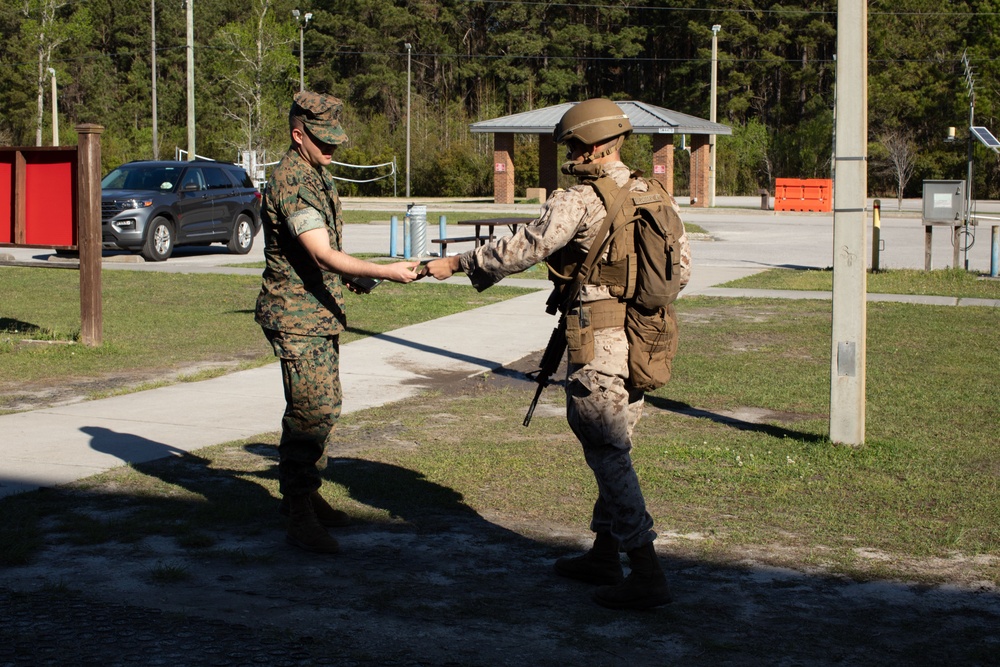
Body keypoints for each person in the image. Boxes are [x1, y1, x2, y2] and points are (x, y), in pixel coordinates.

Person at [425, 98, 691, 609]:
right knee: (615, 448)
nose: (569, 154)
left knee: (608, 453)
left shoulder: (581, 199)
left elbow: (527, 247)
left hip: (602, 345)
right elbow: (681, 273)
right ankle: (603, 553)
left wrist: (457, 261)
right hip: (645, 338)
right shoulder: (656, 194)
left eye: (571, 145)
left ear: (591, 146)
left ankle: (648, 571)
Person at [256, 91, 421, 554]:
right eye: (323, 142)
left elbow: (323, 257)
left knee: (325, 405)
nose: (332, 151)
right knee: (311, 411)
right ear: (297, 135)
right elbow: (322, 252)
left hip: (316, 310)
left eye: (335, 142)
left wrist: (349, 280)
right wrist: (384, 270)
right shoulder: (292, 181)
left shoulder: (316, 173)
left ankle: (305, 495)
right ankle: (298, 511)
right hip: (294, 314)